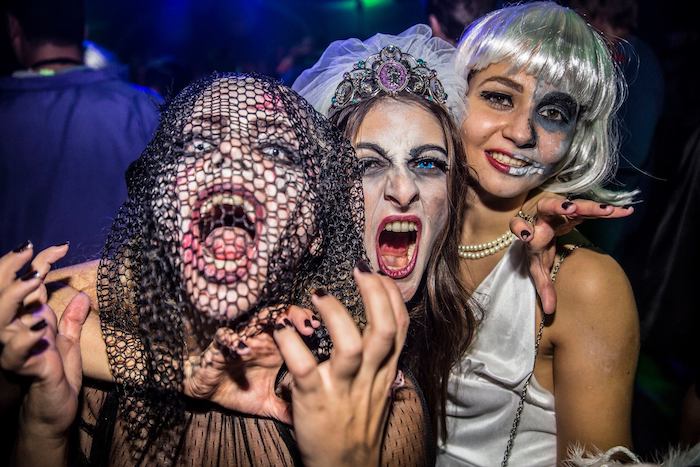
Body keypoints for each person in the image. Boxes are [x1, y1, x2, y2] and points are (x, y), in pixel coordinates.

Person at [2, 73, 426, 466]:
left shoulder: (378, 403)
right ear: (161, 206)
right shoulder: (74, 368)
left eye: (276, 149)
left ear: (316, 225)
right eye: (200, 144)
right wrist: (43, 432)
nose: (232, 160)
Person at [438, 3, 640, 465]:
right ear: (456, 94)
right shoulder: (414, 238)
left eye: (553, 111)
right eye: (500, 97)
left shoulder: (586, 284)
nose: (522, 132)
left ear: (575, 138)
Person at [0, 0, 161, 265]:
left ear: (14, 29)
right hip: (122, 301)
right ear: (84, 32)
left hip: (21, 303)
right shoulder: (146, 109)